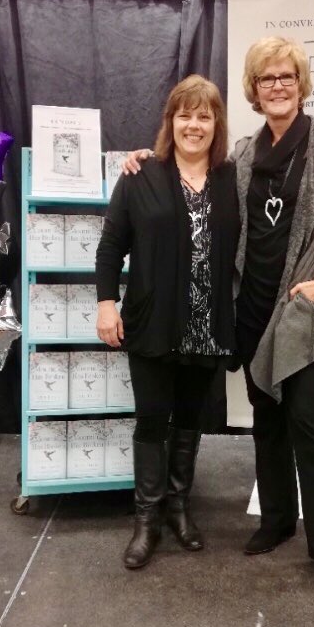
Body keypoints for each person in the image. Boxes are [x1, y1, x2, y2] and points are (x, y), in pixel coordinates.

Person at [123, 37, 314, 599]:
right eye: (266, 79)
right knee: (268, 422)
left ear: (301, 84)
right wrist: (142, 158)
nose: (277, 86)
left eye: (286, 77)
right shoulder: (242, 154)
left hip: (303, 311)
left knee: (310, 421)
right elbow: (189, 172)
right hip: (251, 314)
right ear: (254, 90)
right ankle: (278, 519)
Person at [95, 75, 239, 570]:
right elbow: (111, 246)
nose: (194, 124)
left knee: (190, 422)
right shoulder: (141, 174)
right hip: (153, 323)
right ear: (170, 121)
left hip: (207, 327)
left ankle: (180, 508)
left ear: (215, 123)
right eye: (185, 114)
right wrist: (105, 302)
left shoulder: (231, 179)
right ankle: (147, 520)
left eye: (204, 115)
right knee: (152, 422)